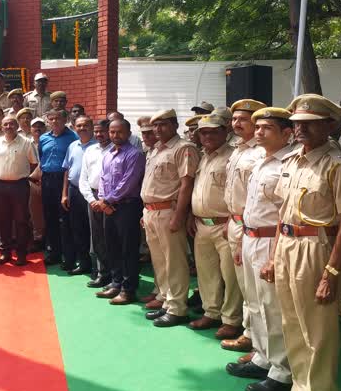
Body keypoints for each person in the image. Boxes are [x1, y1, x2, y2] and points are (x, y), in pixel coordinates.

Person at [261, 94, 341, 391]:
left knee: (317, 333)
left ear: (329, 126)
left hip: (316, 251)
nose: (300, 129)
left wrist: (330, 274)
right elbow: (282, 216)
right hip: (288, 247)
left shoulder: (338, 165)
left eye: (309, 124)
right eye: (297, 123)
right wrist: (273, 257)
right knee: (293, 327)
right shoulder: (291, 161)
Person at [224, 107, 293, 391]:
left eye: (267, 128)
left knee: (272, 307)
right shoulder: (262, 162)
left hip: (270, 241)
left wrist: (275, 256)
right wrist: (241, 242)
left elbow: (283, 214)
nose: (259, 131)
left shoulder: (286, 164)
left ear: (286, 134)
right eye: (259, 127)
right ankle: (262, 357)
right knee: (254, 302)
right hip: (250, 237)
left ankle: (282, 372)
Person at [141, 109, 200, 327]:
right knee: (160, 261)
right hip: (151, 211)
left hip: (169, 211)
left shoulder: (184, 148)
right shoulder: (155, 149)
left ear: (175, 124)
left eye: (163, 124)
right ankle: (166, 300)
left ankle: (178, 308)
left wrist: (179, 215)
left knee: (174, 261)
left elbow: (186, 184)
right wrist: (145, 211)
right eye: (155, 125)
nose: (158, 129)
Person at [187, 115, 243, 339]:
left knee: (230, 276)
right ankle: (211, 312)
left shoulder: (232, 156)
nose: (207, 136)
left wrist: (232, 219)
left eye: (213, 132)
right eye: (203, 132)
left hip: (224, 224)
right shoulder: (203, 157)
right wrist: (192, 215)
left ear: (225, 131)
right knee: (207, 272)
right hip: (202, 224)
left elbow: (237, 192)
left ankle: (231, 319)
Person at [222, 99, 267, 354]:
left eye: (243, 119)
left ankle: (258, 342)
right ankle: (250, 333)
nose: (236, 123)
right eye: (235, 119)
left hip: (251, 225)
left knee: (256, 291)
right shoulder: (237, 149)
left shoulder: (261, 153)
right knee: (244, 286)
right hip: (235, 222)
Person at [95, 119, 146, 304]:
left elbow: (129, 182)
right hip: (109, 207)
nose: (115, 135)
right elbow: (102, 179)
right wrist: (103, 200)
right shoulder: (108, 154)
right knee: (113, 247)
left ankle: (128, 289)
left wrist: (108, 200)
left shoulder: (135, 155)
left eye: (120, 132)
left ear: (128, 132)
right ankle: (116, 283)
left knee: (128, 249)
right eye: (112, 132)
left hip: (127, 207)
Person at [0, 116, 38, 266]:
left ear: (17, 126)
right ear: (1, 127)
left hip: (20, 186)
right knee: (3, 220)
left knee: (21, 220)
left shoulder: (27, 143)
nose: (8, 126)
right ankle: (5, 252)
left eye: (11, 124)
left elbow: (34, 164)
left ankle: (21, 253)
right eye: (5, 124)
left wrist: (23, 176)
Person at [35, 109, 78, 265]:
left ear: (64, 119)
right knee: (50, 217)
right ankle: (54, 253)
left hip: (64, 180)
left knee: (65, 218)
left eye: (58, 118)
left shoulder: (73, 137)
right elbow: (42, 157)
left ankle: (69, 256)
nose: (54, 121)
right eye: (51, 119)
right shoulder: (44, 138)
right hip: (47, 179)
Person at [78, 119, 112, 288]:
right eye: (97, 132)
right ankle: (102, 273)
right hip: (93, 197)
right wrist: (92, 200)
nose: (99, 135)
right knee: (97, 237)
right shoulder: (90, 151)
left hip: (113, 200)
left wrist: (106, 201)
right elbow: (83, 179)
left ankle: (115, 275)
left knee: (112, 237)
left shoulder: (117, 150)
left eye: (103, 131)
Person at [61, 116, 97, 274]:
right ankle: (83, 263)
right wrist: (64, 194)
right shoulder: (72, 146)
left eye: (86, 125)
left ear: (92, 127)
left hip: (92, 193)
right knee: (78, 228)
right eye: (79, 125)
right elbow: (67, 170)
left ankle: (97, 266)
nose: (82, 128)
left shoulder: (98, 146)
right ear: (75, 128)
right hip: (74, 191)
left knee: (94, 230)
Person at [29, 117, 47, 250]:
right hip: (32, 182)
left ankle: (50, 239)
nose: (38, 129)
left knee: (49, 211)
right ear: (30, 130)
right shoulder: (26, 144)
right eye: (35, 127)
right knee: (35, 212)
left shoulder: (49, 142)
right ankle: (37, 238)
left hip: (49, 181)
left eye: (40, 126)